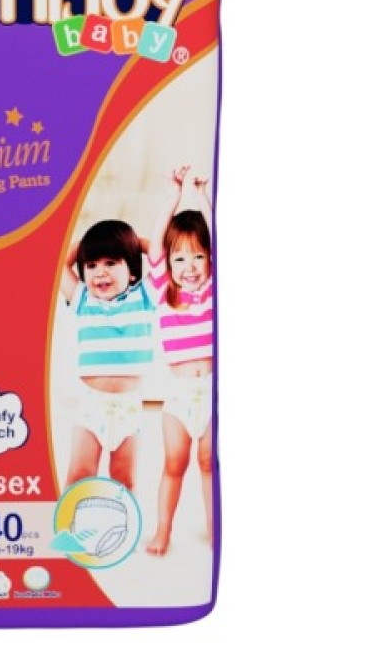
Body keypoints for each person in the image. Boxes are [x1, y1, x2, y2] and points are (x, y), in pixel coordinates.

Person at [145, 166, 215, 555]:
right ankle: (163, 530)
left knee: (208, 463)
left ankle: (214, 527)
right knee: (175, 464)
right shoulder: (164, 291)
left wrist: (201, 197)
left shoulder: (212, 290)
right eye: (181, 258)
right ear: (169, 264)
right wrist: (175, 195)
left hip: (211, 392)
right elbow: (156, 244)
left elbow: (219, 238)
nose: (190, 267)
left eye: (199, 256)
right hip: (178, 395)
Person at [59, 219, 155, 493]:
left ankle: (122, 523)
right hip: (92, 405)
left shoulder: (144, 296)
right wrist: (88, 244)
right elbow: (58, 264)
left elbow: (166, 261)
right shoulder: (83, 300)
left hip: (129, 408)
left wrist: (136, 244)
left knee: (124, 479)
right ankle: (68, 520)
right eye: (91, 265)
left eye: (111, 263)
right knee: (80, 473)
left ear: (132, 271)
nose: (100, 272)